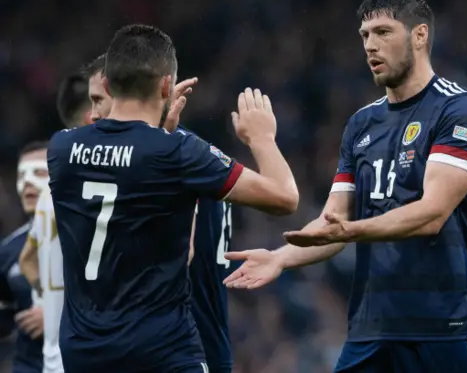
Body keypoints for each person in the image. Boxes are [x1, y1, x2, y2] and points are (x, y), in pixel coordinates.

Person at [224, 0, 467, 373]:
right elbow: (333, 221)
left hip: (445, 325)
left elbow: (431, 214)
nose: (370, 45)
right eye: (365, 35)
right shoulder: (361, 125)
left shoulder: (460, 111)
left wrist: (349, 232)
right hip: (372, 330)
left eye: (383, 32)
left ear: (420, 35)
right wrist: (281, 258)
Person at [47, 24, 298, 373]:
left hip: (83, 352)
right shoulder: (178, 152)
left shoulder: (61, 149)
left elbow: (127, 170)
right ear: (167, 85)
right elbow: (284, 197)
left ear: (106, 84)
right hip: (160, 352)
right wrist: (262, 138)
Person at [83, 53, 239, 373]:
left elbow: (182, 254)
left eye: (99, 100)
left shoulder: (174, 159)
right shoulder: (189, 153)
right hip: (199, 343)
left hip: (175, 351)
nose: (91, 115)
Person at [19, 74, 92, 373]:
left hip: (53, 359)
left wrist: (47, 300)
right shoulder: (93, 188)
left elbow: (27, 261)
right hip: (90, 353)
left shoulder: (51, 195)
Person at [0, 141, 48, 373]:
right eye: (21, 175)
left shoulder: (93, 242)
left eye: (39, 172)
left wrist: (61, 320)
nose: (27, 182)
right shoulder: (8, 251)